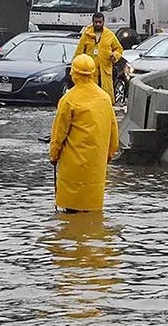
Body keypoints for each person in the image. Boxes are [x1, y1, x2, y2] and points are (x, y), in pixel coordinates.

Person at [49, 54, 119, 213]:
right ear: (93, 73)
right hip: (96, 166)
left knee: (71, 213)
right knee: (92, 212)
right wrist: (109, 155)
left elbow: (59, 134)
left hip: (72, 168)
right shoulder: (105, 98)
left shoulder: (69, 99)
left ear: (74, 74)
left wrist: (54, 155)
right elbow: (113, 131)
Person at [74, 12, 123, 104]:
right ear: (92, 22)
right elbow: (79, 52)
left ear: (103, 22)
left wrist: (114, 55)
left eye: (100, 22)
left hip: (105, 71)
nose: (98, 24)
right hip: (90, 71)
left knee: (106, 96)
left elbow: (119, 49)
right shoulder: (86, 34)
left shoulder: (109, 35)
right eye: (96, 22)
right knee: (91, 96)